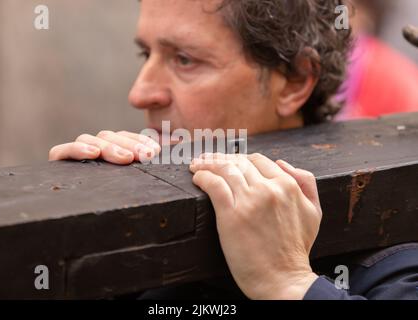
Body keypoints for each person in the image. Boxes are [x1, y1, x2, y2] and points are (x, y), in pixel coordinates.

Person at [49, 0, 418, 299]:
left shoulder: (391, 253)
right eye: (146, 53)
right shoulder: (147, 228)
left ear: (295, 81)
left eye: (185, 60)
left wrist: (290, 284)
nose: (140, 93)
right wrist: (73, 242)